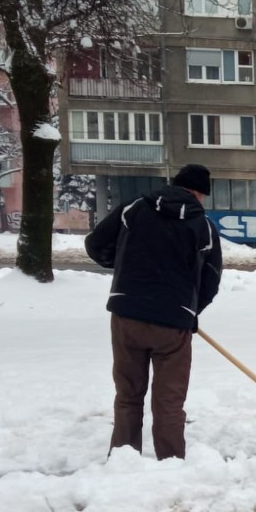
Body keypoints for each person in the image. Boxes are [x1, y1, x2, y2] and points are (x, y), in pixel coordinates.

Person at [84, 163, 223, 460]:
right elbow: (210, 281)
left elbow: (96, 245)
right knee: (169, 401)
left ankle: (124, 459)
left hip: (126, 314)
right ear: (200, 193)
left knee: (128, 395)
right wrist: (190, 312)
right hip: (173, 324)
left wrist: (123, 264)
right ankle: (171, 463)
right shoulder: (204, 227)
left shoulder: (134, 208)